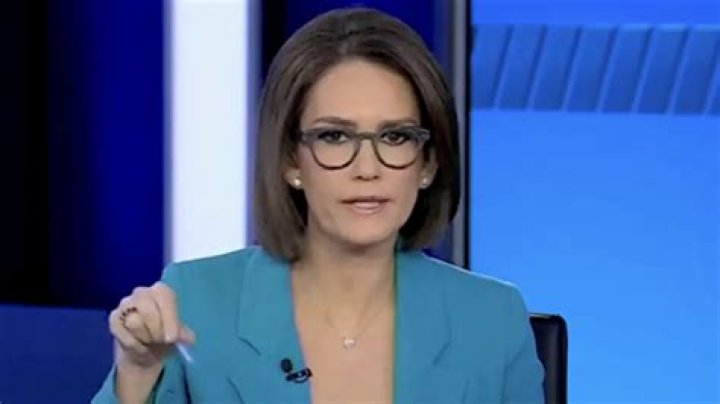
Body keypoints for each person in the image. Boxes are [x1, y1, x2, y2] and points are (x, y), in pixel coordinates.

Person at [93, 7, 544, 404]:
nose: (367, 168)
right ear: (291, 161)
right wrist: (137, 372)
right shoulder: (196, 301)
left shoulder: (492, 320)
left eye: (395, 137)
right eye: (334, 136)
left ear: (427, 164)